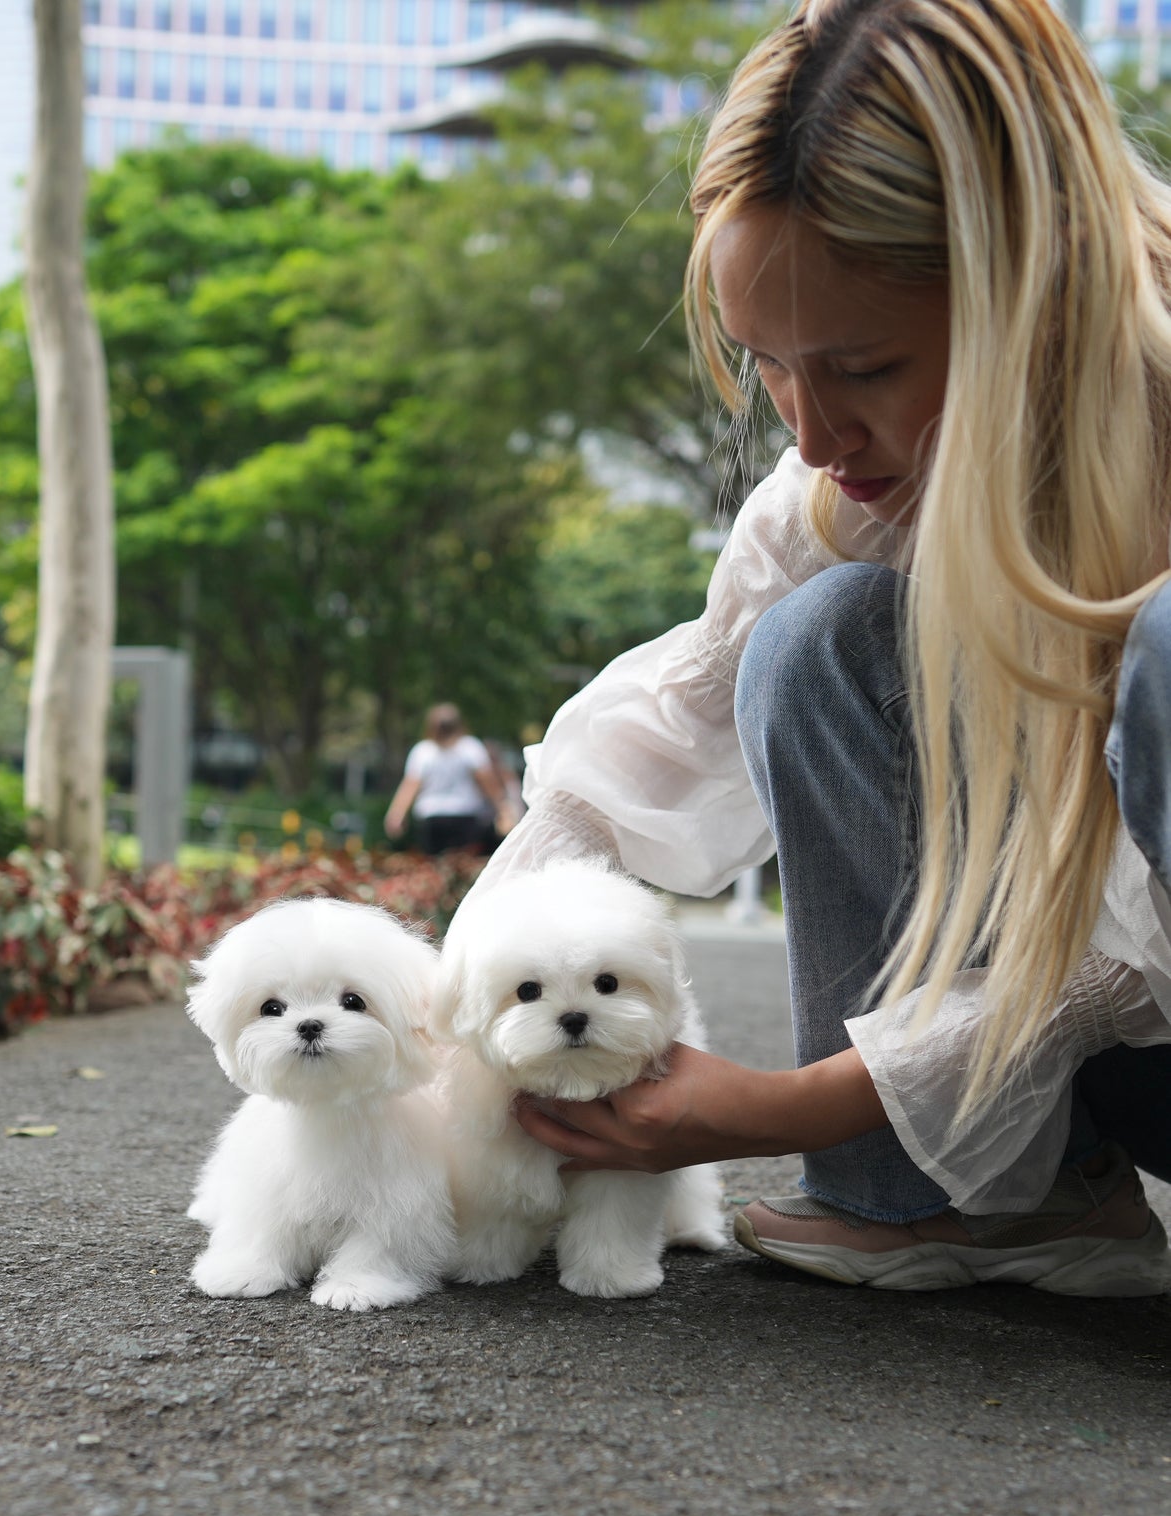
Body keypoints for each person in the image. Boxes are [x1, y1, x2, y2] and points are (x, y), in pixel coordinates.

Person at [478, 0, 1171, 1294]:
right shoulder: (841, 499)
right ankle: (948, 1204)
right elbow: (658, 739)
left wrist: (790, 1103)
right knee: (815, 635)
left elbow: (1138, 963)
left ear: (1038, 281)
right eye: (769, 366)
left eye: (860, 365)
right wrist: (463, 1003)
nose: (809, 433)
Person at [384, 704, 517, 855]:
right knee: (465, 863)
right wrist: (503, 809)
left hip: (436, 819)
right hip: (463, 817)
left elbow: (410, 786)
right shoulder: (470, 747)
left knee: (435, 866)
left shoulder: (423, 751)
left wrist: (397, 813)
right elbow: (488, 783)